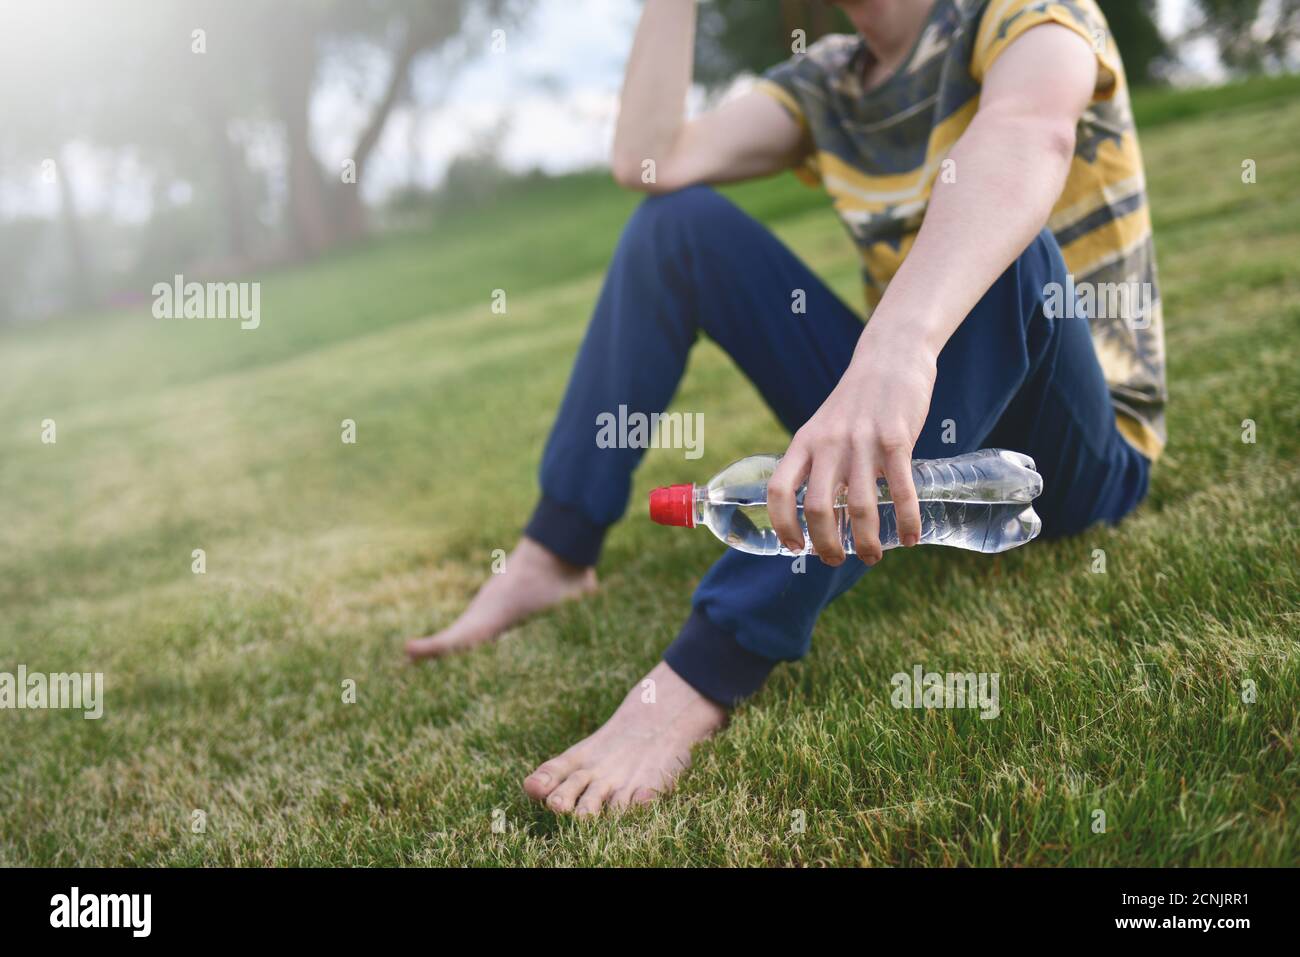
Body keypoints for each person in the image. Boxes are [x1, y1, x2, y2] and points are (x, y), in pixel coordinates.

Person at [406, 0, 1167, 817]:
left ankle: (709, 666)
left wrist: (899, 345)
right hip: (913, 429)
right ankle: (555, 552)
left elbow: (1027, 134)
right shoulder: (829, 81)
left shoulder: (1028, 13)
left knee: (1016, 250)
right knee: (678, 224)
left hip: (1069, 458)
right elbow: (651, 161)